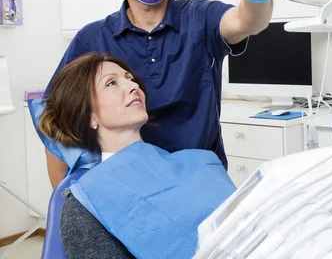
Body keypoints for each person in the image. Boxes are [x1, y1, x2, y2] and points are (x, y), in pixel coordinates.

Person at [44, 0, 281, 187]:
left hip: (201, 183)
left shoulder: (199, 18)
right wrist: (64, 199)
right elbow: (55, 119)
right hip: (127, 189)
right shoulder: (92, 39)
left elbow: (246, 21)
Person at [39, 52, 238, 258]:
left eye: (130, 78)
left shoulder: (200, 161)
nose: (133, 86)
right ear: (89, 115)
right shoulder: (87, 202)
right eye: (111, 83)